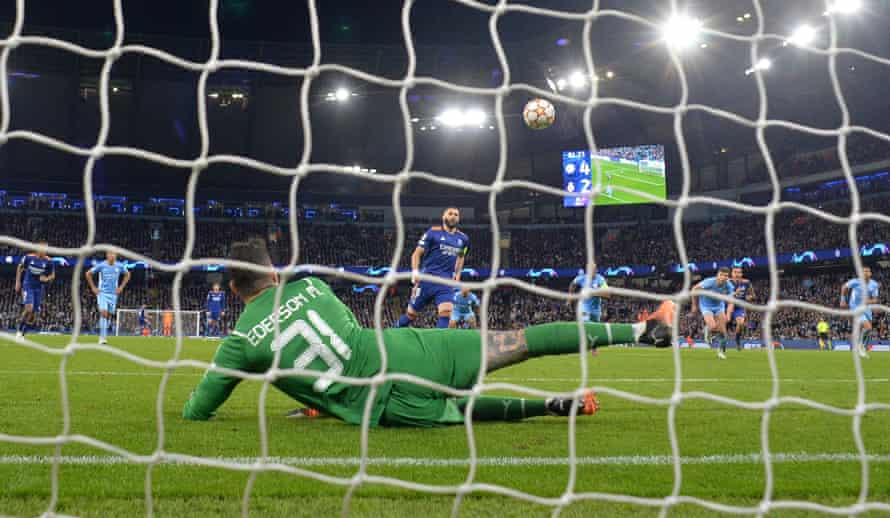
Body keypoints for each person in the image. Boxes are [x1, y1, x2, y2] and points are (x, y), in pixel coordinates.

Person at [182, 239, 676, 426]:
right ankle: (640, 329)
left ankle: (545, 407)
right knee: (519, 341)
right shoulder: (311, 285)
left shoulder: (239, 343)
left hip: (387, 400)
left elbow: (197, 410)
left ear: (230, 286)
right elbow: (338, 331)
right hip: (415, 347)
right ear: (275, 273)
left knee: (454, 411)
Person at [394, 207, 468, 329]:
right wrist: (415, 272)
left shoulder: (463, 239)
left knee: (446, 313)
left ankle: (438, 345)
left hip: (446, 282)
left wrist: (457, 275)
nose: (453, 216)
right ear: (444, 217)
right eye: (450, 214)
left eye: (456, 214)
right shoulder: (432, 232)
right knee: (410, 315)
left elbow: (461, 257)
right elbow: (416, 254)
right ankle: (393, 330)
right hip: (427, 280)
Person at [84, 252, 130, 345]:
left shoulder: (119, 266)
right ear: (107, 256)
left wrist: (121, 287)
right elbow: (88, 274)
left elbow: (128, 274)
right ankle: (102, 338)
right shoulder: (101, 265)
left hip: (113, 295)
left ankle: (104, 331)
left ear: (116, 256)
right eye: (110, 254)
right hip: (102, 293)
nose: (112, 256)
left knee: (108, 315)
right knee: (104, 313)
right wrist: (93, 287)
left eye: (114, 254)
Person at [691, 267, 735, 360]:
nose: (723, 277)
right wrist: (694, 305)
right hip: (706, 305)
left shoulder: (729, 286)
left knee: (723, 332)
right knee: (713, 327)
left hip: (719, 306)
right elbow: (694, 289)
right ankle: (707, 329)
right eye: (721, 275)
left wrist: (728, 314)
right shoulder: (709, 282)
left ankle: (721, 352)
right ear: (717, 275)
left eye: (726, 276)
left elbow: (731, 301)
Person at [14, 240, 56, 339]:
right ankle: (19, 330)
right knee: (29, 308)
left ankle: (23, 334)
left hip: (39, 288)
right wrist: (17, 282)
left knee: (33, 314)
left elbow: (53, 275)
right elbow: (20, 267)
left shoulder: (49, 261)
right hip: (27, 285)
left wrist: (46, 278)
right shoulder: (28, 258)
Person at [840, 266, 880, 359]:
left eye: (867, 271)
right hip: (855, 307)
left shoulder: (874, 284)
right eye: (864, 271)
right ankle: (860, 347)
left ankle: (861, 346)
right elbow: (844, 287)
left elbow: (875, 299)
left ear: (870, 273)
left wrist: (868, 302)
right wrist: (843, 300)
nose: (865, 273)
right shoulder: (855, 281)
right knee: (868, 327)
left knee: (868, 330)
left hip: (866, 308)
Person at [727, 267, 755, 352]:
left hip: (739, 306)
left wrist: (748, 297)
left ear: (741, 274)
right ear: (731, 274)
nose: (737, 274)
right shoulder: (727, 282)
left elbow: (753, 295)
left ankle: (737, 340)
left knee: (740, 323)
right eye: (735, 272)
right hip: (727, 305)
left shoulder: (746, 283)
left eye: (739, 272)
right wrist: (735, 293)